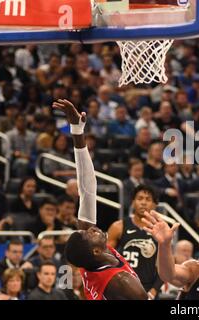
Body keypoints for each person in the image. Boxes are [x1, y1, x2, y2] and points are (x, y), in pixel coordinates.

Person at [53, 99, 147, 300]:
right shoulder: (123, 283)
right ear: (96, 250)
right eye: (90, 234)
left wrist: (77, 131)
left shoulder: (92, 255)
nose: (93, 229)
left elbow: (87, 188)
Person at [107, 184, 163, 299]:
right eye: (139, 198)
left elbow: (165, 267)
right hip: (121, 287)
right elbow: (106, 258)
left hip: (146, 289)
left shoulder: (160, 230)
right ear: (133, 202)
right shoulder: (119, 226)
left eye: (148, 199)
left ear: (155, 204)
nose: (143, 202)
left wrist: (153, 291)